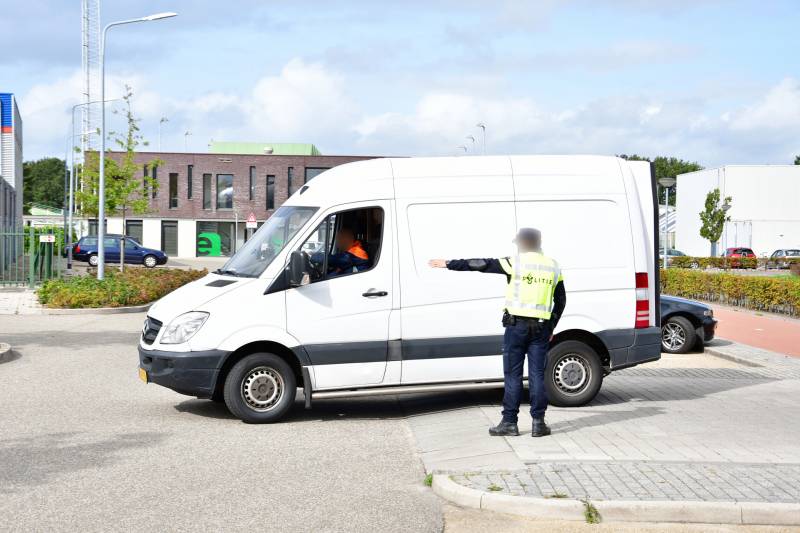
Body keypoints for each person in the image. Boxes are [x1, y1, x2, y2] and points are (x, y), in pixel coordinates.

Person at [428, 228, 566, 437]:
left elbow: (480, 264)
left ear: (523, 243)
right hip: (541, 328)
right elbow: (561, 300)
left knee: (513, 375)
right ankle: (539, 423)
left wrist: (449, 264)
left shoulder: (515, 263)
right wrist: (551, 326)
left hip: (516, 327)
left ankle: (510, 422)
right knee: (537, 375)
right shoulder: (553, 266)